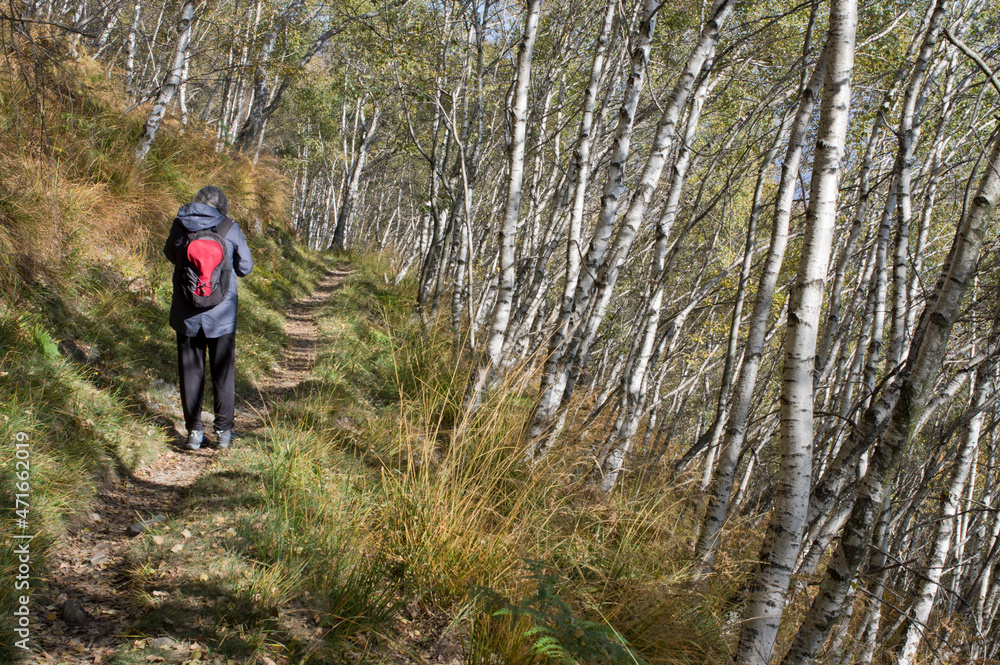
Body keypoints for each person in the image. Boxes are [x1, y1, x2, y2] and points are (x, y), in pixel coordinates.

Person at [163, 186, 253, 450]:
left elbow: (170, 254)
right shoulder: (229, 227)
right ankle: (224, 434)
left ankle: (194, 432)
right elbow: (245, 267)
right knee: (223, 373)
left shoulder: (180, 225)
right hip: (221, 314)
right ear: (221, 206)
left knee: (190, 373)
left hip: (186, 313)